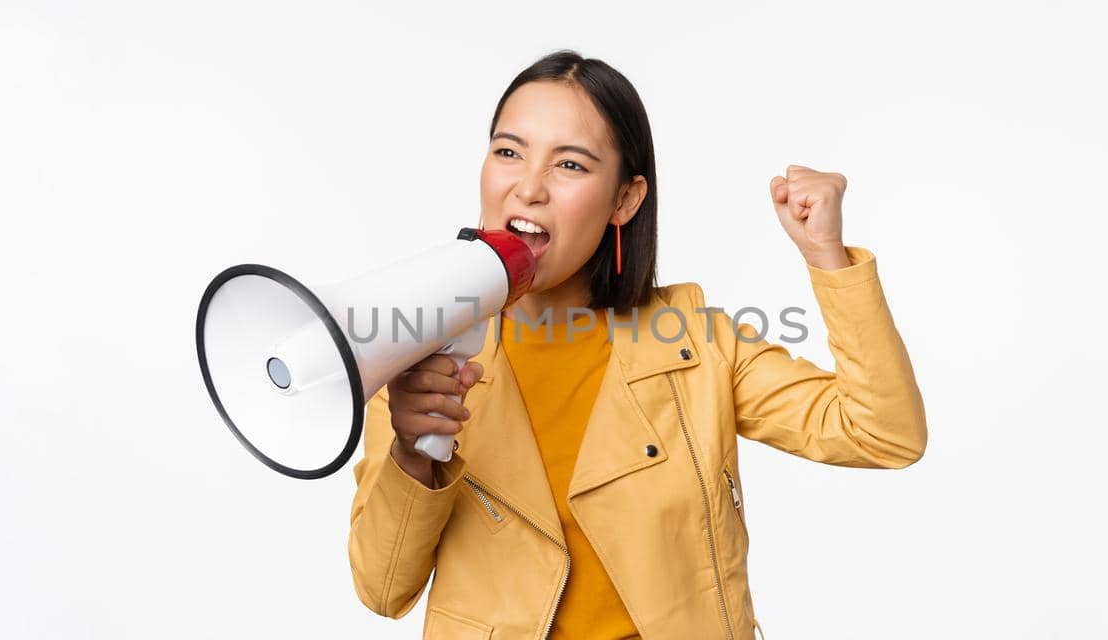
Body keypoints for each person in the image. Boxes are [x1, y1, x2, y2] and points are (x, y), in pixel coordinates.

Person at [347, 49, 927, 640]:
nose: (528, 187)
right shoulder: (414, 357)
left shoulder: (697, 343)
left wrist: (826, 256)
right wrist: (413, 454)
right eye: (508, 151)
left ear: (624, 200)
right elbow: (382, 588)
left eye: (569, 165)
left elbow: (883, 433)